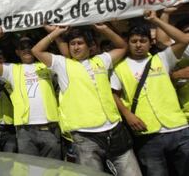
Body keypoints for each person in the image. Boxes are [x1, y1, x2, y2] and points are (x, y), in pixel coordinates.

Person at [32, 24, 141, 175]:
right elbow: (36, 50)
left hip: (115, 130)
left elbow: (122, 47)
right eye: (72, 44)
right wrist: (57, 32)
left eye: (80, 43)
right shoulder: (62, 64)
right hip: (85, 137)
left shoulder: (101, 60)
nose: (76, 47)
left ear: (90, 46)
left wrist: (104, 29)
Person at [112, 10, 189, 176]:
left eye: (143, 41)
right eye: (134, 41)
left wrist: (156, 20)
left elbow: (184, 39)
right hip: (147, 134)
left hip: (178, 129)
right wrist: (127, 115)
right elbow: (113, 94)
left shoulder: (162, 59)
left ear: (150, 43)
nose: (138, 44)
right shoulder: (119, 68)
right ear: (128, 43)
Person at [0, 31, 61, 158]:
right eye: (22, 47)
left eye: (29, 46)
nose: (26, 50)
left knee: (53, 171)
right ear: (17, 52)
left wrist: (54, 32)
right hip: (25, 132)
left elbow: (66, 57)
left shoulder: (47, 65)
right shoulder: (12, 69)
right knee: (30, 171)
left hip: (50, 129)